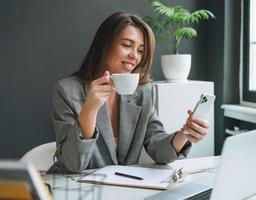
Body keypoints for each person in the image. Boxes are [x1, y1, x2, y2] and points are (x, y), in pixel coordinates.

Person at [48, 12, 209, 173]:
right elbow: (72, 164)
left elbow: (158, 147)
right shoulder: (67, 90)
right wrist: (90, 109)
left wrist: (185, 133)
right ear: (104, 44)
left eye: (140, 50)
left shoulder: (143, 92)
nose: (134, 56)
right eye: (126, 45)